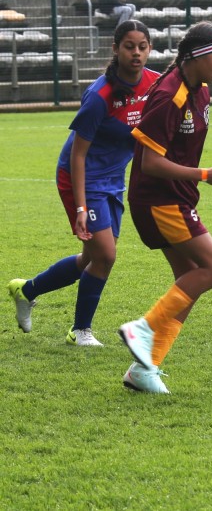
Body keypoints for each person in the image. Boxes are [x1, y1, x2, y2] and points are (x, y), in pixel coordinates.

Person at [8, 21, 158, 346]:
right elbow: (78, 155)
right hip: (82, 177)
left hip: (112, 178)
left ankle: (27, 290)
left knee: (90, 259)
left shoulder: (155, 84)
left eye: (142, 46)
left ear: (149, 49)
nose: (136, 53)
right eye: (129, 46)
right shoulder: (99, 96)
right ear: (115, 49)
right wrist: (79, 207)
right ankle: (80, 331)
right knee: (105, 255)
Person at [117, 21, 212, 394]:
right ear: (196, 57)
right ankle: (142, 329)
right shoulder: (169, 95)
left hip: (177, 196)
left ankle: (145, 369)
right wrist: (205, 174)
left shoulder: (199, 90)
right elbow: (150, 163)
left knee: (189, 279)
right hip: (159, 199)